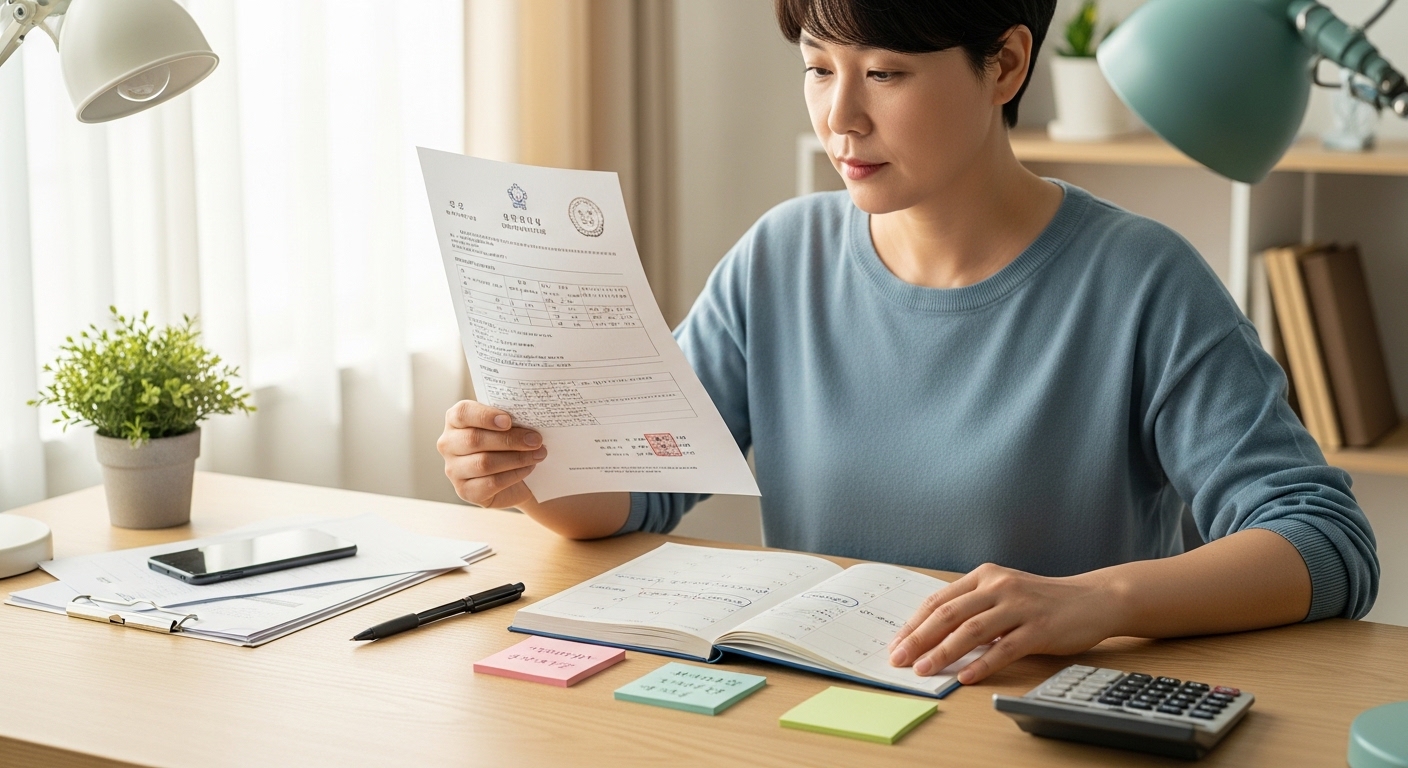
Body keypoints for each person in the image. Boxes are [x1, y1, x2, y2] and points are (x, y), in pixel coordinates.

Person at [437, 0, 1379, 685]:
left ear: (1005, 64)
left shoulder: (1141, 280)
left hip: (1023, 725)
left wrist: (1098, 601)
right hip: (810, 720)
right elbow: (643, 490)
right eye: (817, 66)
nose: (840, 116)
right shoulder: (779, 256)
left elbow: (1326, 543)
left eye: (884, 72)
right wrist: (537, 476)